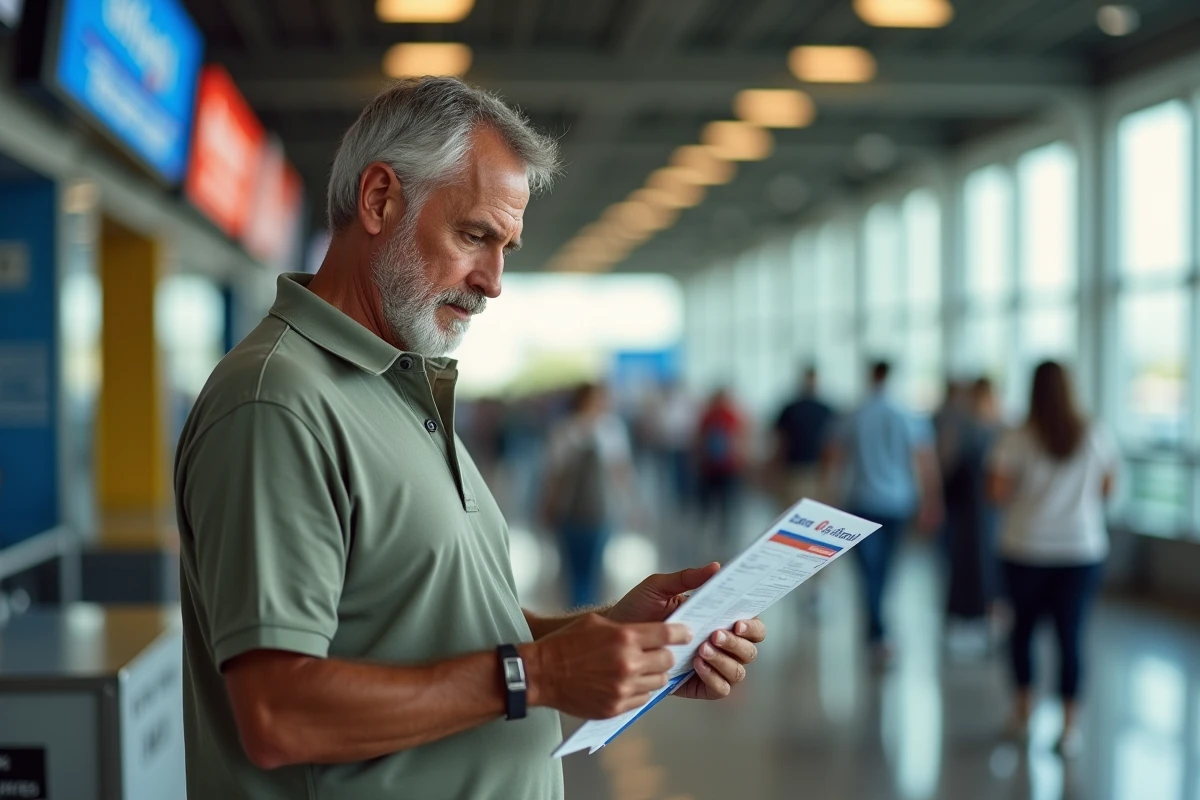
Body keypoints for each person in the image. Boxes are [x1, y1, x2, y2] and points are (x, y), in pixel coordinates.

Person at [173, 77, 767, 800]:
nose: (493, 282)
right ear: (379, 200)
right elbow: (277, 713)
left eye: (506, 246)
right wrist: (540, 675)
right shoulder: (279, 403)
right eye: (475, 235)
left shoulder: (398, 386)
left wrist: (612, 636)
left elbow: (443, 626)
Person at [988, 361, 1117, 756]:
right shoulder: (1094, 433)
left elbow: (996, 492)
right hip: (1081, 549)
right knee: (1070, 636)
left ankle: (1023, 713)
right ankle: (1069, 727)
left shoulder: (1017, 436)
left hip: (1025, 546)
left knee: (1022, 632)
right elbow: (1108, 489)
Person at [825, 361, 943, 659]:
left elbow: (836, 458)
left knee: (869, 570)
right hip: (898, 503)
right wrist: (931, 500)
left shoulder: (854, 413)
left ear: (870, 376)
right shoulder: (908, 414)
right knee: (886, 567)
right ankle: (878, 627)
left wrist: (830, 497)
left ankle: (876, 627)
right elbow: (925, 460)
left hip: (861, 502)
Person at [541, 382, 634, 608]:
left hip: (585, 510)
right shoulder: (607, 429)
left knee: (582, 570)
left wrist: (630, 504)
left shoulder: (568, 429)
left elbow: (554, 474)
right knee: (584, 569)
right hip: (587, 510)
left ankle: (580, 611)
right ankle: (584, 611)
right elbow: (554, 475)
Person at [942, 377, 1003, 655]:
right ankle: (975, 621)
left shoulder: (986, 430)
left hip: (984, 511)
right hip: (975, 511)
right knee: (974, 567)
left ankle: (986, 620)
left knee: (984, 567)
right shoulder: (974, 429)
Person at [769, 366, 836, 508]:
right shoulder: (792, 409)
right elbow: (781, 441)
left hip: (813, 470)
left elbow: (830, 445)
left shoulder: (824, 410)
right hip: (795, 469)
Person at [695, 387, 750, 551]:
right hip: (713, 468)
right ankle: (712, 531)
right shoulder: (712, 416)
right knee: (711, 502)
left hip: (726, 468)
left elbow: (740, 439)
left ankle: (724, 534)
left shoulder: (726, 416)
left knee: (725, 503)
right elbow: (699, 439)